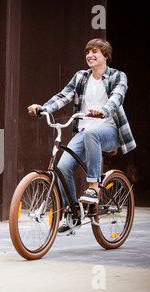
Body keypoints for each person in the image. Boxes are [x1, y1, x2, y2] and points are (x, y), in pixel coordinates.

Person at [28, 38, 136, 234]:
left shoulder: (118, 76)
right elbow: (64, 96)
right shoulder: (81, 77)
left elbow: (117, 98)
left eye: (95, 51)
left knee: (93, 133)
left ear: (106, 56)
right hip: (85, 131)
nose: (90, 55)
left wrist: (103, 110)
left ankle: (93, 186)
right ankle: (74, 212)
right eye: (87, 52)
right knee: (62, 168)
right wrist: (43, 109)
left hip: (109, 130)